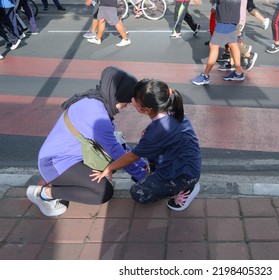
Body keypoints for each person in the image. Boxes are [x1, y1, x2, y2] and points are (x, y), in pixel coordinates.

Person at [26, 66, 149, 217]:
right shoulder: (97, 114)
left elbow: (116, 144)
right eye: (129, 98)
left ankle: (60, 182)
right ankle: (43, 194)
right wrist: (144, 177)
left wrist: (143, 164)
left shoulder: (96, 100)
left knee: (107, 170)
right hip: (55, 162)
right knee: (102, 192)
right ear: (119, 94)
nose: (129, 103)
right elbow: (116, 152)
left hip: (74, 157)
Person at [91, 79, 202, 211]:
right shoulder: (174, 112)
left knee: (138, 192)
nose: (132, 100)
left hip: (184, 176)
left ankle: (187, 189)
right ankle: (169, 181)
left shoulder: (156, 131)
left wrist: (109, 168)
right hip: (182, 164)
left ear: (146, 109)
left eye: (135, 100)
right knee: (146, 167)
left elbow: (132, 157)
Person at [192, 0, 245, 85]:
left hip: (226, 18)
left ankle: (205, 75)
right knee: (232, 44)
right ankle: (239, 72)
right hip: (232, 16)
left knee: (213, 45)